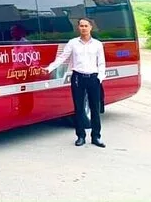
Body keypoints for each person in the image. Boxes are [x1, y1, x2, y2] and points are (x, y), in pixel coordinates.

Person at [41, 17, 106, 148]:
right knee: (79, 108)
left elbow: (101, 63)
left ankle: (96, 137)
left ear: (90, 27)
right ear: (78, 28)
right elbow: (62, 58)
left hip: (93, 78)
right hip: (78, 77)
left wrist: (99, 78)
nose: (83, 28)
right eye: (81, 26)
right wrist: (49, 68)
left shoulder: (97, 44)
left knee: (94, 108)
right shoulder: (73, 43)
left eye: (86, 26)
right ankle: (80, 136)